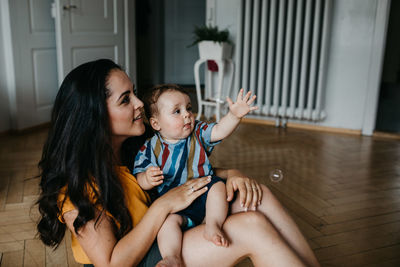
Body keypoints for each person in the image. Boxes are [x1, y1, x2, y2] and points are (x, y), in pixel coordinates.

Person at [36, 59, 320, 267]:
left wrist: (232, 174)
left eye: (134, 92)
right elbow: (112, 264)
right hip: (137, 261)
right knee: (252, 226)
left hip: (161, 234)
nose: (139, 104)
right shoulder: (77, 190)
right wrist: (164, 204)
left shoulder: (133, 149)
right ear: (94, 116)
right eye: (126, 100)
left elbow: (180, 173)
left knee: (257, 197)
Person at [133, 84, 258, 264]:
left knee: (218, 187)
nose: (187, 114)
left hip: (204, 192)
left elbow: (219, 130)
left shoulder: (198, 132)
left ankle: (211, 224)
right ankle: (172, 257)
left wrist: (234, 116)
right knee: (168, 224)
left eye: (189, 108)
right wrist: (147, 178)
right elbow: (140, 178)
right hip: (174, 204)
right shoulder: (150, 148)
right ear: (156, 123)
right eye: (177, 111)